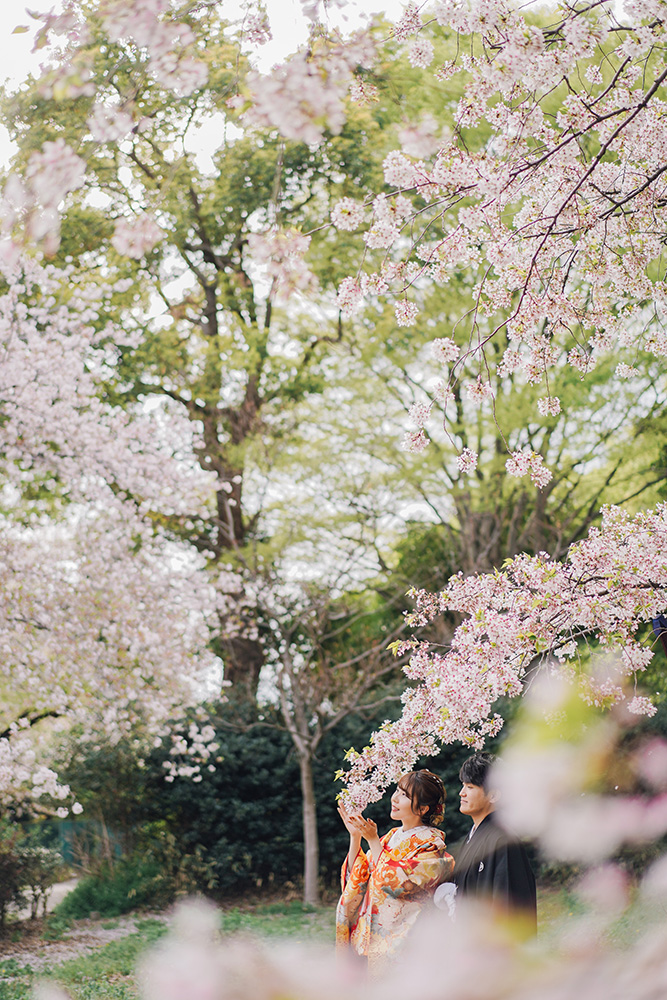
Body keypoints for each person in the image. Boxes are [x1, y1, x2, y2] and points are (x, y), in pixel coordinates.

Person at [336, 769, 454, 971]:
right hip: (369, 939)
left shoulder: (431, 846)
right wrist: (355, 837)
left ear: (423, 809)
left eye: (405, 796)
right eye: (397, 791)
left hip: (403, 942)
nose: (395, 799)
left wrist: (372, 840)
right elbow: (360, 877)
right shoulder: (391, 837)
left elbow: (398, 883)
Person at [448, 751, 536, 936]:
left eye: (470, 787)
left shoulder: (503, 840)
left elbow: (508, 907)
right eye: (463, 786)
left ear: (494, 795)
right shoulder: (473, 836)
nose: (461, 793)